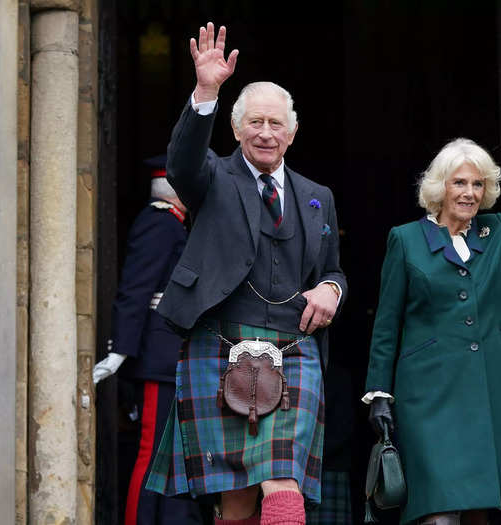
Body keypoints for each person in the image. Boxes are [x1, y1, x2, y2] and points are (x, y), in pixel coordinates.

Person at [144, 23, 347, 525]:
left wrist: (332, 288)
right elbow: (182, 162)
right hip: (220, 340)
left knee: (283, 480)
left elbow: (334, 270)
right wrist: (206, 91)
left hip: (293, 348)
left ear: (293, 132)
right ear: (236, 130)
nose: (265, 132)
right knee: (235, 499)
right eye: (254, 122)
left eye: (276, 123)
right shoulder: (211, 178)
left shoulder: (318, 196)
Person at [364, 109, 501, 525]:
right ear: (440, 187)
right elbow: (387, 324)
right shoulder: (406, 240)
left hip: (488, 389)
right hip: (428, 397)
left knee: (480, 509)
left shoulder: (494, 233)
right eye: (460, 182)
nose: (470, 193)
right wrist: (379, 393)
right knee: (438, 512)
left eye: (478, 184)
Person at [93, 159, 204, 525]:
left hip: (172, 356)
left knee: (171, 457)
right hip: (159, 356)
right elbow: (136, 290)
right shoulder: (159, 223)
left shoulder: (172, 225)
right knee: (151, 453)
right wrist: (120, 350)